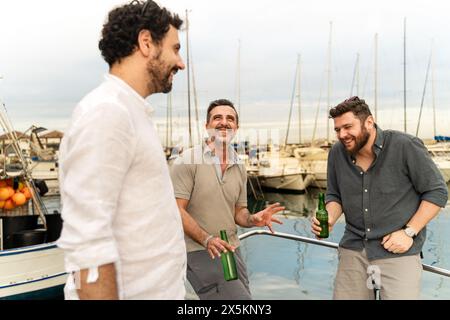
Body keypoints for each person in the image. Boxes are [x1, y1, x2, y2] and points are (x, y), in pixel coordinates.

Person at [57, 0, 187, 300]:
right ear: (146, 43)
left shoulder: (132, 112)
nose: (181, 63)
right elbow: (89, 245)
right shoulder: (107, 112)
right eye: (175, 49)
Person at [311, 96, 448, 300]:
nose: (342, 134)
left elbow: (437, 191)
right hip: (354, 249)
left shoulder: (405, 145)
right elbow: (334, 194)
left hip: (398, 251)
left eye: (348, 127)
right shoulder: (337, 153)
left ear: (369, 122)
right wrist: (329, 217)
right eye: (338, 129)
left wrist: (409, 232)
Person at [169, 99, 285, 300]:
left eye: (230, 118)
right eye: (217, 118)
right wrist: (207, 239)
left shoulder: (239, 165)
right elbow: (176, 210)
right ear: (207, 126)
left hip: (231, 248)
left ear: (236, 128)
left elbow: (238, 212)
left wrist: (253, 220)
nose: (224, 122)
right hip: (198, 249)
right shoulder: (186, 161)